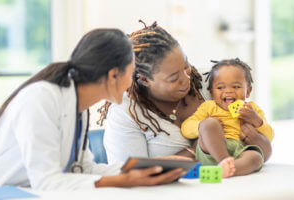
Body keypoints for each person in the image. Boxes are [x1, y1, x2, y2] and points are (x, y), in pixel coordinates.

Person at [0, 28, 186, 190]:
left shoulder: (79, 108)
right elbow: (46, 181)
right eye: (131, 73)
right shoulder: (41, 99)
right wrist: (122, 180)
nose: (131, 83)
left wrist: (147, 167)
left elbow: (83, 169)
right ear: (113, 75)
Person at [100, 21, 273, 165]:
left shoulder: (213, 83)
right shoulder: (126, 114)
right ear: (144, 80)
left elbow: (264, 150)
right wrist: (194, 150)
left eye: (186, 66)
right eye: (174, 78)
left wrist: (255, 137)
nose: (186, 80)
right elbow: (131, 178)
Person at [181, 58, 274, 177]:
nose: (228, 91)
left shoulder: (252, 109)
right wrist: (202, 125)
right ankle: (224, 162)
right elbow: (186, 128)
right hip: (211, 151)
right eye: (220, 88)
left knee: (255, 157)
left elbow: (269, 136)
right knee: (209, 124)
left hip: (240, 150)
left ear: (248, 91)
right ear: (211, 93)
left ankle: (229, 170)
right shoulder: (209, 107)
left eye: (235, 87)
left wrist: (256, 121)